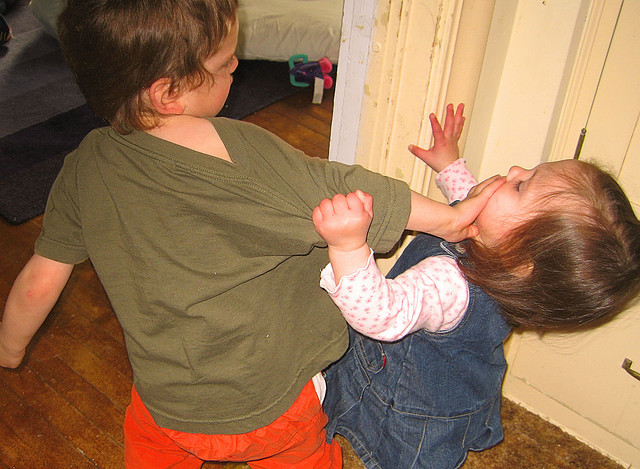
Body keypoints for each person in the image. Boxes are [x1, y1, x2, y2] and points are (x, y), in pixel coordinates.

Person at [0, 1, 503, 467]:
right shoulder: (238, 148)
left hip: (166, 405)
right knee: (303, 454)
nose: (237, 67)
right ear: (166, 91)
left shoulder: (83, 166)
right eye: (223, 65)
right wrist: (452, 218)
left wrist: (10, 348)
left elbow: (39, 281)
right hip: (275, 402)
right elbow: (348, 189)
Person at [313, 104, 640, 469]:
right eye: (529, 170)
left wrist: (348, 246)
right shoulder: (497, 243)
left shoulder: (451, 283)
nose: (513, 170)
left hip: (411, 404)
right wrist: (448, 163)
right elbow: (470, 198)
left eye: (521, 185)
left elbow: (381, 316)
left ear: (521, 261)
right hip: (443, 378)